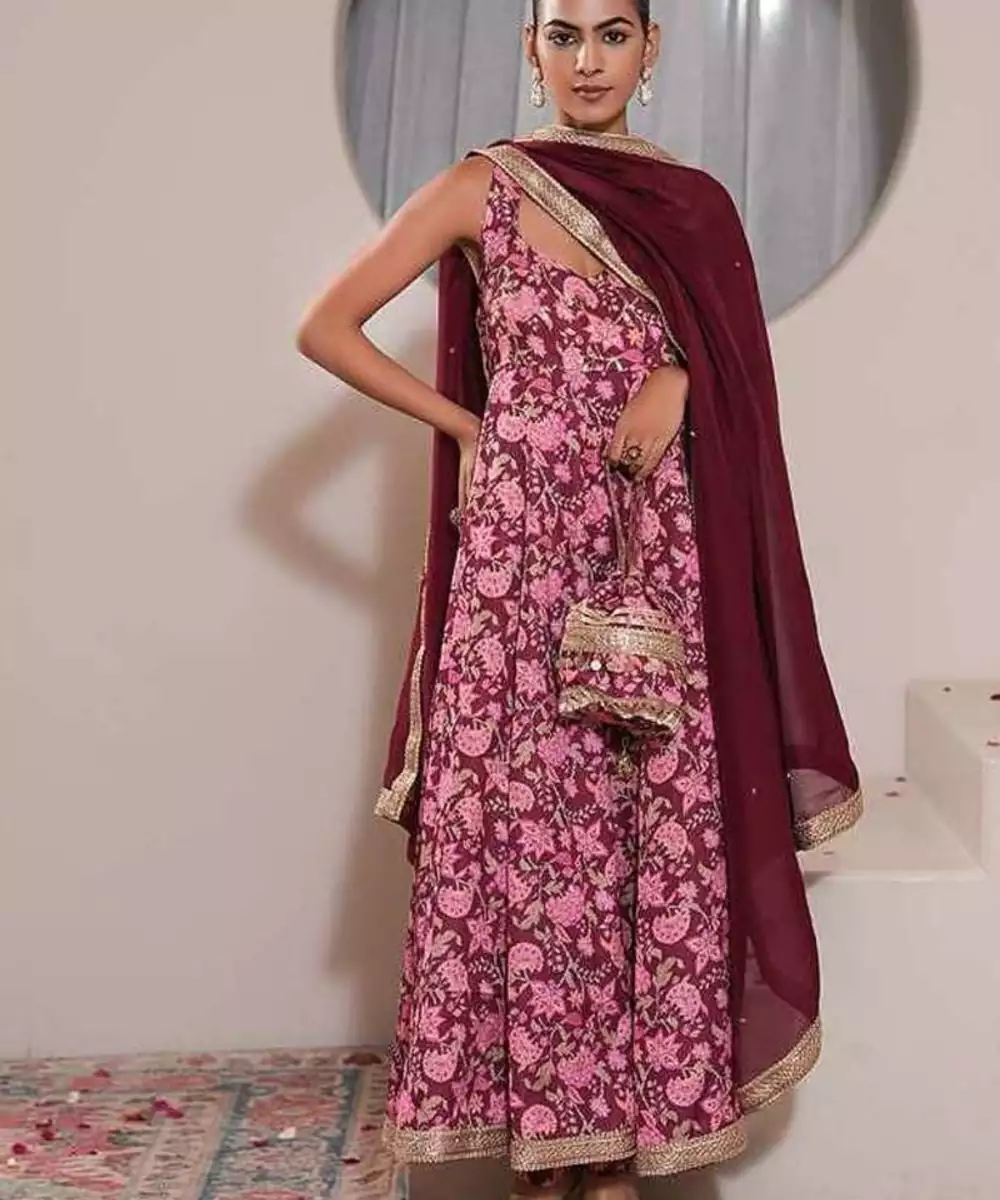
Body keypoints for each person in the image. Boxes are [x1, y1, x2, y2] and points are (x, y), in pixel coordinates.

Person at [297, 2, 863, 1197]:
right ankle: (540, 1145)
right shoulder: (482, 187)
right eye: (563, 35)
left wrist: (677, 375)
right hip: (515, 568)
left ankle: (616, 1151)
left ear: (652, 51)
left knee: (638, 833)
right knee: (527, 837)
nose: (588, 60)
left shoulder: (694, 207)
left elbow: (739, 380)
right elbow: (326, 326)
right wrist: (470, 432)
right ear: (531, 50)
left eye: (613, 34)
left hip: (648, 557)